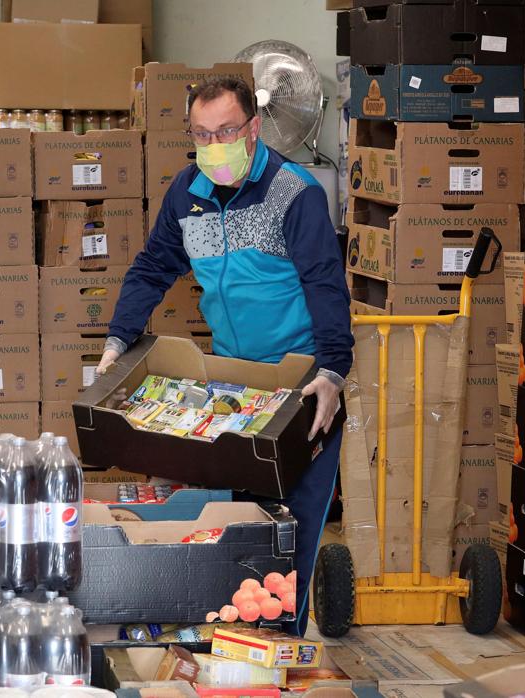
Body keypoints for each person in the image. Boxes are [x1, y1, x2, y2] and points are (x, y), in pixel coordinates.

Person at [97, 75, 353, 636]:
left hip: (302, 388)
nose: (214, 145)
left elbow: (326, 285)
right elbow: (152, 266)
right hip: (235, 389)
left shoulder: (297, 193)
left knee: (293, 531)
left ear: (253, 129)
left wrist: (333, 372)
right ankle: (239, 644)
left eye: (227, 131)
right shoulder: (188, 192)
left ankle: (279, 650)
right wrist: (118, 340)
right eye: (202, 134)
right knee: (238, 526)